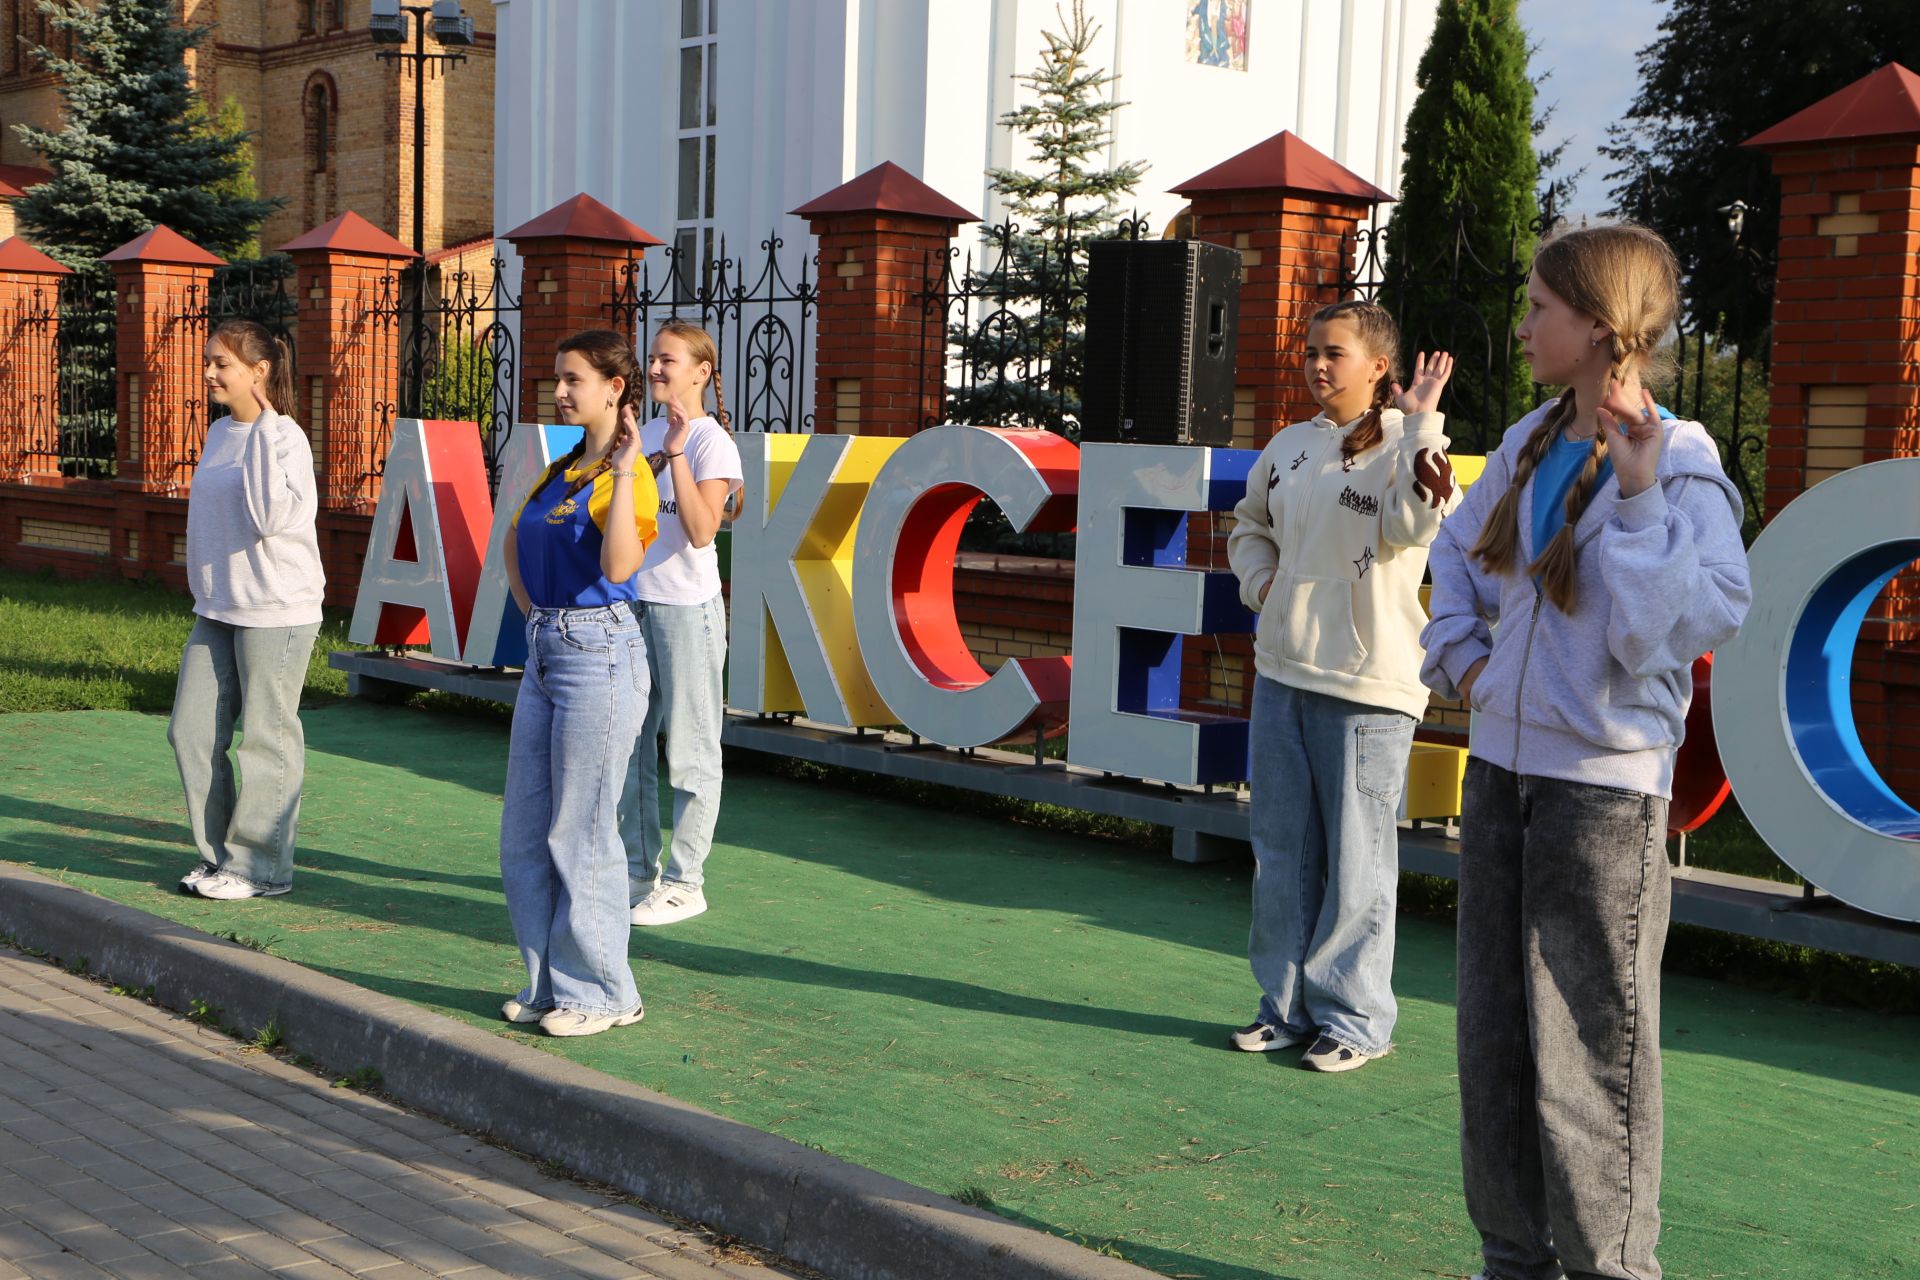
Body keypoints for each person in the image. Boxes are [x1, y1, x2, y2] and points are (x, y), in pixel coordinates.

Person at [1419, 225, 1750, 1280]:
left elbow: (1681, 625)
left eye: (1539, 310)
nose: (1522, 328)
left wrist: (1644, 495)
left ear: (1601, 329)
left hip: (1603, 801)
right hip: (1502, 778)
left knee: (1591, 1056)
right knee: (1496, 1044)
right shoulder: (1524, 441)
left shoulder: (1683, 458)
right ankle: (1512, 1259)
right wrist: (1466, 669)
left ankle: (1612, 1269)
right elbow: (1456, 561)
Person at [1226, 300, 1459, 1072]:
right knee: (1282, 852)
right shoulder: (1290, 447)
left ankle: (1356, 1022)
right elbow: (1248, 524)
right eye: (1311, 352)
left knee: (1358, 863)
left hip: (1369, 690)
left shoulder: (1407, 447)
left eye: (1336, 353)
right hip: (1281, 676)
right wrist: (1264, 586)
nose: (1318, 365)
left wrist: (1423, 423)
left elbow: (1420, 525)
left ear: (1378, 367)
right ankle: (1285, 1010)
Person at [499, 329, 660, 1037]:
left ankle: (603, 993)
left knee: (583, 829)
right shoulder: (562, 466)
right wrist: (539, 618)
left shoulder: (629, 474)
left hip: (602, 655)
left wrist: (625, 470)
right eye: (557, 378)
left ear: (614, 389)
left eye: (573, 380)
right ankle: (548, 986)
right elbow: (516, 539)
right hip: (548, 650)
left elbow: (622, 565)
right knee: (527, 832)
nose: (559, 391)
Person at [170, 320, 324, 901]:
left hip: (277, 609)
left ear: (259, 372)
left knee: (266, 737)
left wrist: (266, 425)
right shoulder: (218, 433)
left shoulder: (286, 438)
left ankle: (262, 869)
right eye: (208, 361)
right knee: (189, 730)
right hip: (219, 606)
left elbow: (269, 518)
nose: (209, 372)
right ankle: (220, 860)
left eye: (221, 364)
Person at [616, 320, 743, 927]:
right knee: (632, 746)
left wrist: (675, 455)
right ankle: (639, 873)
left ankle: (686, 883)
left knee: (691, 751)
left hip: (686, 613)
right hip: (633, 604)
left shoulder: (710, 443)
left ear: (701, 372)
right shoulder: (641, 436)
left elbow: (699, 530)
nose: (657, 369)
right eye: (654, 360)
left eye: (669, 360)